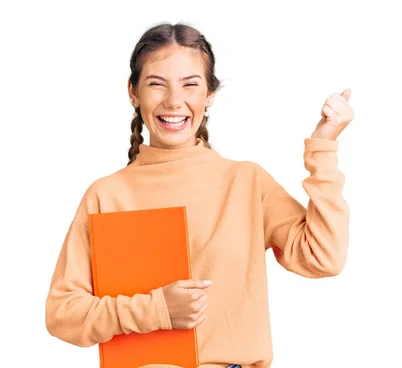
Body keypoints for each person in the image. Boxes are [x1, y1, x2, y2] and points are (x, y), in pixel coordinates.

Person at [45, 22, 354, 368]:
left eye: (190, 85)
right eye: (156, 84)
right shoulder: (106, 195)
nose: (174, 101)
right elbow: (62, 314)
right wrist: (156, 309)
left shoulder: (246, 182)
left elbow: (325, 257)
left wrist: (323, 148)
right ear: (133, 93)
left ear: (209, 96)